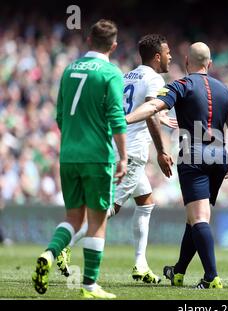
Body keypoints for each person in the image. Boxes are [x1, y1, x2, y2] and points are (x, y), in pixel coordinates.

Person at [126, 42, 228, 289]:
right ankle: (179, 271)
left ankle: (211, 277)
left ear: (186, 62)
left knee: (199, 218)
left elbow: (153, 106)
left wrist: (125, 119)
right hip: (219, 157)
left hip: (193, 155)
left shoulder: (181, 85)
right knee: (194, 218)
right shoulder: (227, 92)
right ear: (210, 64)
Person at [55, 34, 176, 285]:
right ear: (157, 56)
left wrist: (157, 117)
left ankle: (140, 264)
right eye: (167, 53)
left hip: (118, 147)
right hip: (131, 153)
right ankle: (64, 246)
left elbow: (124, 108)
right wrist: (163, 151)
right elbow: (151, 113)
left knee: (146, 201)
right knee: (109, 208)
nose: (170, 57)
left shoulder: (126, 75)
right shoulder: (154, 78)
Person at [31, 19, 127, 299]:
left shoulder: (69, 69)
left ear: (88, 41)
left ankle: (49, 254)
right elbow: (117, 118)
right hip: (97, 157)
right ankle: (89, 286)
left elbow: (60, 115)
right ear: (114, 45)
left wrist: (75, 139)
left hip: (69, 155)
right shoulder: (111, 73)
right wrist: (124, 157)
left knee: (73, 217)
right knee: (97, 221)